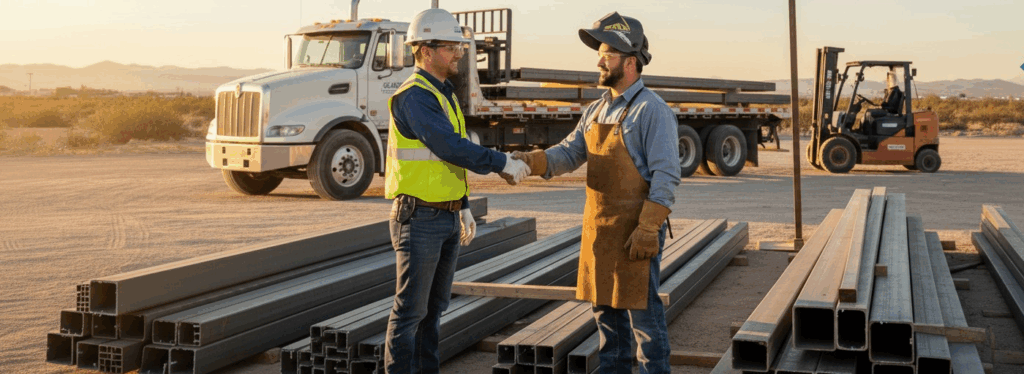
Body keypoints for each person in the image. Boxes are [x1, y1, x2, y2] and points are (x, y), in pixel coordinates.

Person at [512, 11, 680, 374]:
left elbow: (667, 176)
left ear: (631, 62)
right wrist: (529, 161)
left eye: (608, 53)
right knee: (606, 318)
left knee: (644, 321)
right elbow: (569, 154)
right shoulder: (595, 110)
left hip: (636, 232)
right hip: (601, 231)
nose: (599, 60)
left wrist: (649, 227)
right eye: (599, 52)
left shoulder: (653, 111)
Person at [382, 8, 531, 374]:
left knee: (433, 312)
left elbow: (445, 160)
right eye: (451, 48)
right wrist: (501, 162)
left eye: (460, 49)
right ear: (425, 50)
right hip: (419, 218)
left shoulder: (443, 93)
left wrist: (461, 204)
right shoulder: (415, 96)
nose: (458, 55)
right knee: (410, 312)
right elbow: (449, 146)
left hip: (443, 215)